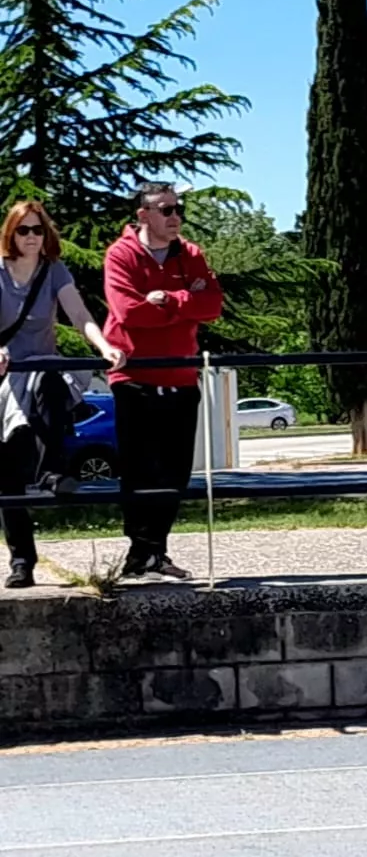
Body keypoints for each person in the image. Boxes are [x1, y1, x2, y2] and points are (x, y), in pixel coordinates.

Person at [0, 201, 125, 588]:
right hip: (6, 376)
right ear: (10, 234)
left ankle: (54, 470)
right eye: (24, 231)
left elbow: (80, 314)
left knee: (51, 382)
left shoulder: (54, 271)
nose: (32, 237)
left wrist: (104, 347)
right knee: (7, 477)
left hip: (42, 369)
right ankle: (22, 561)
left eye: (38, 230)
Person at [102, 184, 223, 582]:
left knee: (174, 473)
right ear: (143, 215)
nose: (175, 217)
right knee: (140, 471)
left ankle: (154, 554)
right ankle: (142, 553)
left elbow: (212, 306)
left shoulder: (190, 254)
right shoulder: (122, 255)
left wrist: (168, 301)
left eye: (178, 209)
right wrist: (186, 299)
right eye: (166, 209)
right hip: (134, 377)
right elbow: (128, 312)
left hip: (181, 375)